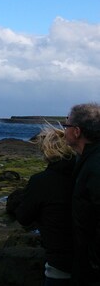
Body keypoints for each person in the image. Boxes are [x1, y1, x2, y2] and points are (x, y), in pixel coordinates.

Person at [8, 126, 76, 285]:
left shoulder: (41, 181)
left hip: (60, 266)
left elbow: (24, 217)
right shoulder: (85, 173)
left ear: (47, 151)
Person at [64, 103, 100, 285]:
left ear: (76, 132)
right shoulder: (88, 160)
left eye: (66, 125)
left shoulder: (95, 166)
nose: (64, 130)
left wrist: (93, 264)